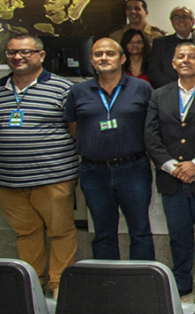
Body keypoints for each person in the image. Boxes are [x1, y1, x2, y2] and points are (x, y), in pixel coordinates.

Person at [0, 35, 79, 298]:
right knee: (26, 234)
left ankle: (57, 289)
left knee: (61, 233)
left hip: (53, 178)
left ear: (41, 56)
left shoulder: (62, 88)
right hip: (9, 182)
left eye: (25, 52)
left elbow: (74, 130)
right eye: (11, 53)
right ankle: (31, 288)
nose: (17, 57)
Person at [144, 42, 195, 296]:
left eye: (192, 56)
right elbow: (150, 135)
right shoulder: (159, 94)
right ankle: (181, 280)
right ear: (173, 63)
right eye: (180, 56)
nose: (186, 60)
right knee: (178, 234)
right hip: (172, 178)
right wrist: (171, 166)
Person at [65, 38, 154, 260]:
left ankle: (142, 283)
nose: (103, 58)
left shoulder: (141, 88)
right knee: (103, 233)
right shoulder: (78, 91)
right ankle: (108, 284)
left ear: (122, 58)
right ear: (92, 61)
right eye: (98, 54)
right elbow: (74, 128)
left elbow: (152, 126)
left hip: (133, 169)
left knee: (140, 231)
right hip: (94, 172)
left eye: (110, 53)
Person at [147, 6, 195, 88]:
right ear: (172, 22)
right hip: (168, 90)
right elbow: (154, 71)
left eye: (185, 17)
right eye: (176, 17)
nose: (181, 20)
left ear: (193, 22)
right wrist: (174, 88)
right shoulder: (160, 43)